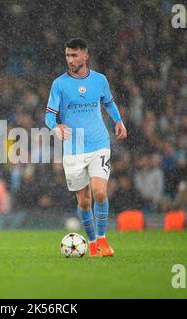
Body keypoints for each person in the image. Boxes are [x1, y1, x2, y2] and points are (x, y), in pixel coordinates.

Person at [45, 38, 127, 257]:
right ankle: (91, 244)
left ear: (85, 56)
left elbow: (108, 102)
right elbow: (49, 115)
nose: (69, 60)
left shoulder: (100, 80)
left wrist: (118, 121)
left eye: (74, 55)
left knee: (100, 192)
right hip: (73, 148)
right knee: (84, 201)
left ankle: (102, 240)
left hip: (99, 143)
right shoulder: (59, 84)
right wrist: (56, 127)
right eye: (67, 55)